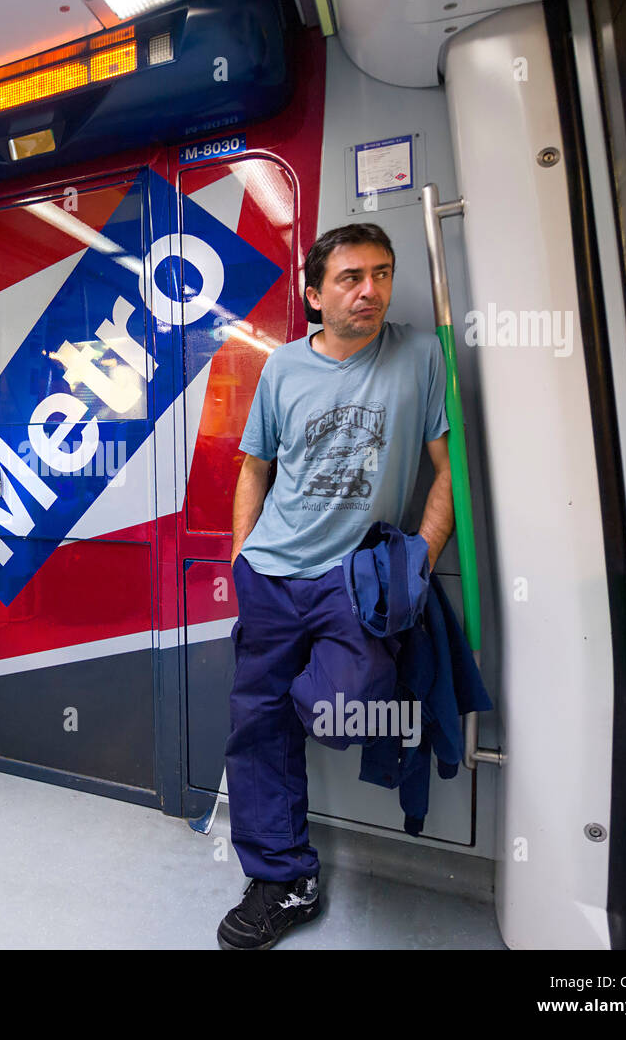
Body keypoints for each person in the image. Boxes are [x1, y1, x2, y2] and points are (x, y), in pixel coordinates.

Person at [217, 222, 454, 949]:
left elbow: (450, 471)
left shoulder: (419, 355)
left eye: (381, 274)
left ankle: (282, 723)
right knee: (255, 726)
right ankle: (285, 878)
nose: (371, 290)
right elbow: (254, 467)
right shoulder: (282, 367)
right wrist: (240, 558)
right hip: (272, 573)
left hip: (355, 579)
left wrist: (419, 558)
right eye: (351, 278)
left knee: (334, 707)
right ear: (314, 294)